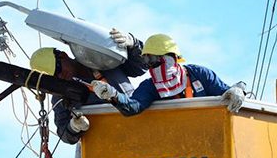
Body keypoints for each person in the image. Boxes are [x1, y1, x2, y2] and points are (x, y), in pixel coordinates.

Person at [29, 28, 147, 144]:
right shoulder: (61, 95)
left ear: (63, 56)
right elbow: (64, 133)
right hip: (107, 144)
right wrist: (73, 127)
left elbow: (141, 67)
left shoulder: (102, 60)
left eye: (58, 69)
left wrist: (133, 45)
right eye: (54, 77)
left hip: (140, 126)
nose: (60, 76)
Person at [90, 33, 245, 115]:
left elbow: (226, 94)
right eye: (147, 61)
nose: (151, 66)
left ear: (170, 58)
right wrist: (113, 95)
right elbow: (133, 106)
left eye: (153, 59)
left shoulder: (199, 75)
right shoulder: (151, 87)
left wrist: (239, 89)